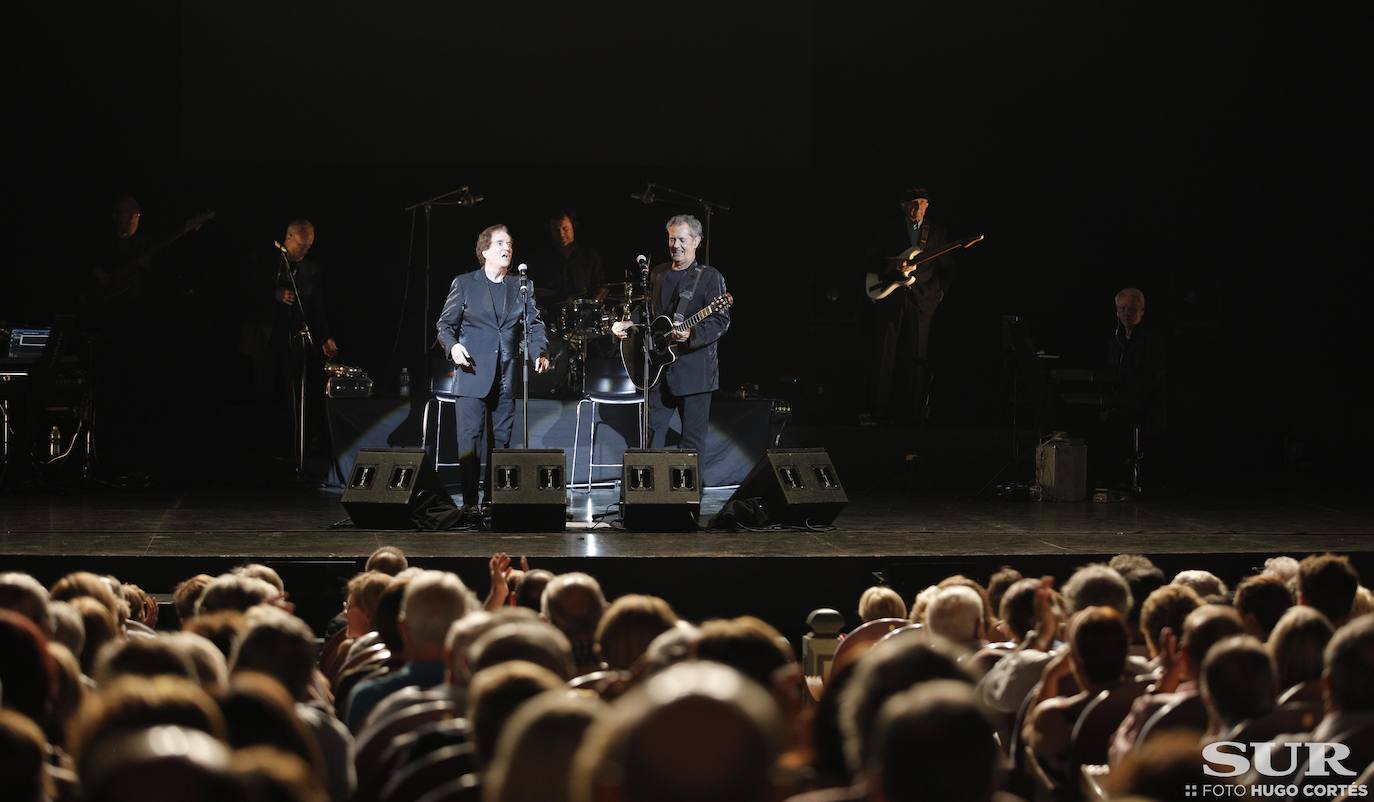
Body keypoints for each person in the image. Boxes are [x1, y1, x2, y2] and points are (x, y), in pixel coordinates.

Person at [435, 224, 550, 511]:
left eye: (509, 244)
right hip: (472, 373)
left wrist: (540, 352)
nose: (507, 248)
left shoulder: (521, 286)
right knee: (470, 441)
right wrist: (454, 347)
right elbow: (444, 326)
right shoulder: (464, 284)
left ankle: (492, 502)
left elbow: (534, 326)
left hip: (506, 376)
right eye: (500, 243)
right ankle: (470, 503)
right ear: (484, 251)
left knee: (501, 443)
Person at [611, 214, 730, 454]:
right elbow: (649, 312)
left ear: (697, 241)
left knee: (692, 445)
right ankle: (649, 491)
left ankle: (690, 492)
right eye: (672, 239)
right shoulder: (658, 273)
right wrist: (626, 324)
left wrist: (692, 334)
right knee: (651, 438)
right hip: (659, 372)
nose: (675, 245)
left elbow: (720, 320)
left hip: (695, 374)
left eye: (682, 240)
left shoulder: (710, 277)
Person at [239, 219, 339, 470]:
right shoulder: (264, 260)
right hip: (265, 337)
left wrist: (325, 336)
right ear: (290, 237)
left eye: (310, 245)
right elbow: (245, 291)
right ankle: (260, 450)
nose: (306, 249)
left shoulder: (311, 270)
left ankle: (294, 450)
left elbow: (316, 307)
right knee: (264, 391)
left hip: (294, 338)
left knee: (295, 393)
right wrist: (273, 295)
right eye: (303, 244)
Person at [866, 186, 956, 424]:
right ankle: (878, 411)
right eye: (913, 204)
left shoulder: (937, 232)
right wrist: (890, 263)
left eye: (922, 203)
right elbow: (871, 257)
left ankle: (912, 414)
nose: (917, 209)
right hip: (891, 297)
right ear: (903, 206)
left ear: (928, 205)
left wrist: (938, 294)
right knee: (884, 354)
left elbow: (947, 267)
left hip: (922, 301)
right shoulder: (888, 230)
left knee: (917, 356)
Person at [1101, 287, 1166, 489]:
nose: (1126, 313)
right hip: (1121, 401)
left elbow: (1149, 381)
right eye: (1122, 309)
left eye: (1131, 309)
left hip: (1143, 404)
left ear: (1141, 312)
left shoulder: (1151, 342)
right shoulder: (1115, 342)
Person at [527, 210, 606, 304]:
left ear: (573, 226)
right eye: (556, 230)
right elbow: (534, 289)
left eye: (565, 228)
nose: (561, 234)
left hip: (586, 312)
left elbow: (602, 286)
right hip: (551, 313)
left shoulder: (590, 257)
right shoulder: (541, 258)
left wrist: (594, 303)